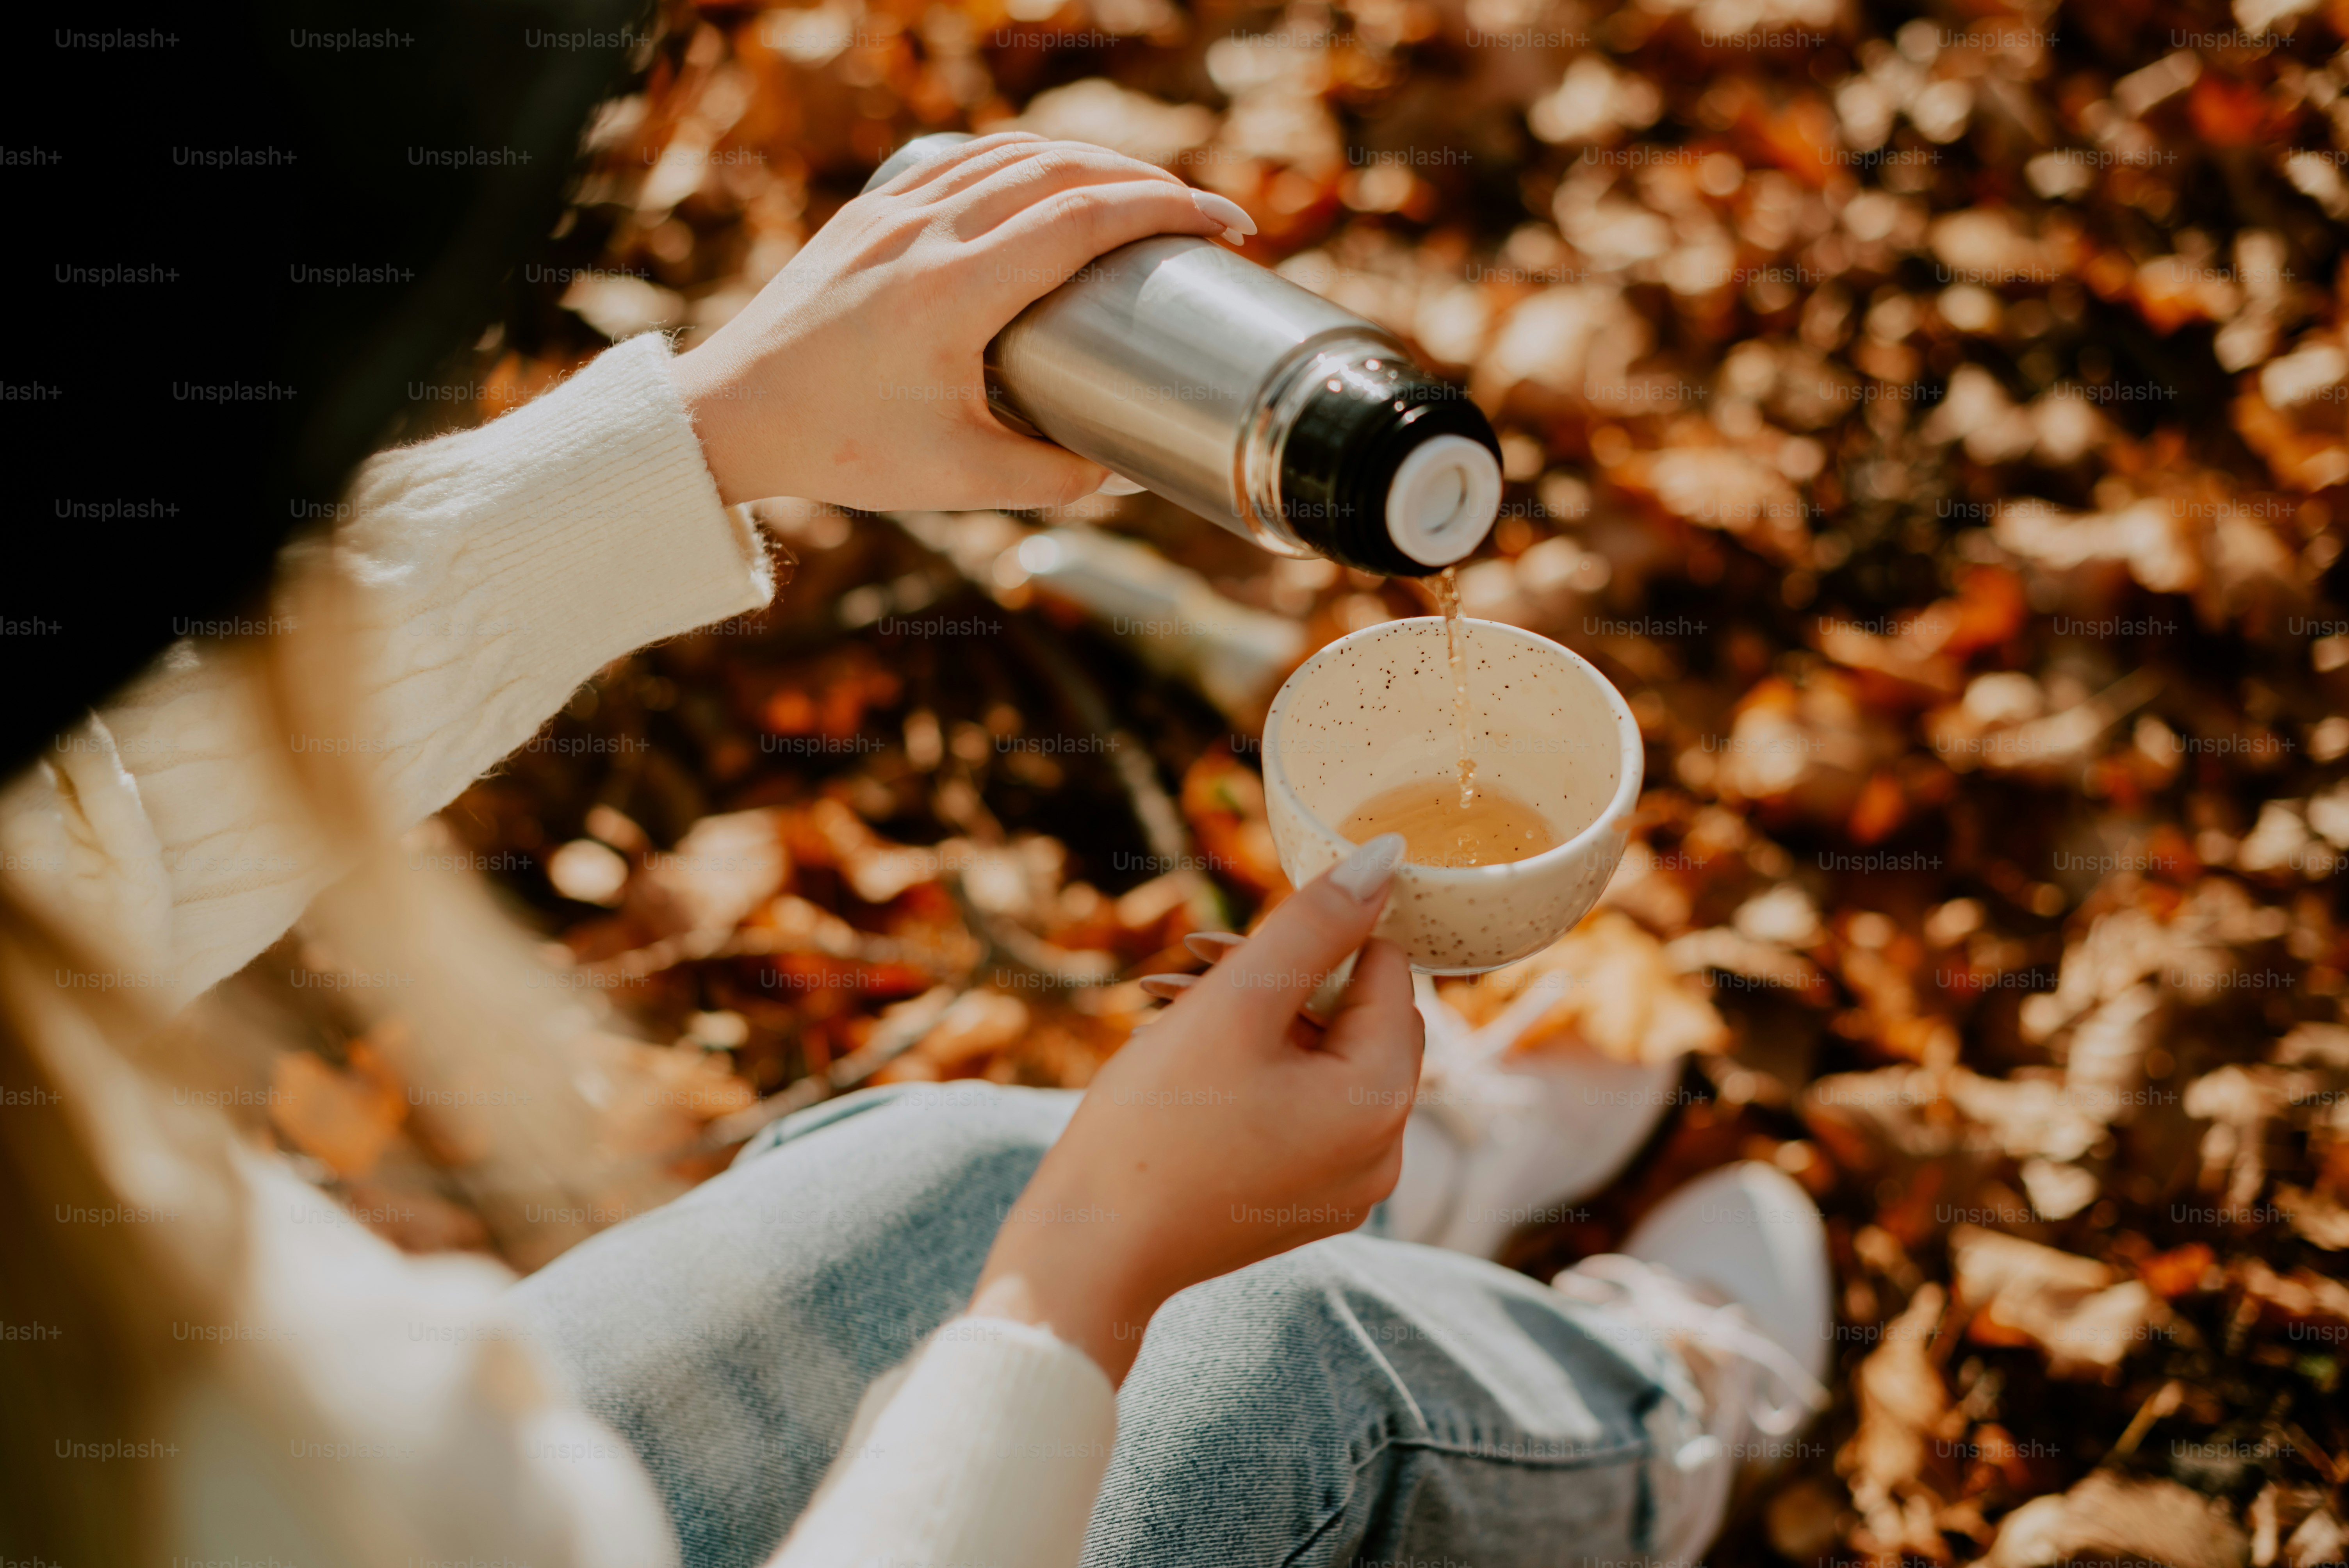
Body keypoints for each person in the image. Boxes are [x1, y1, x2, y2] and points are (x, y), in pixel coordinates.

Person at [1, 118, 1832, 1568]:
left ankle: (1357, 1171)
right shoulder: (256, 1426)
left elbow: (69, 819)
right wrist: (1085, 1276)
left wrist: (718, 425)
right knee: (1283, 1366)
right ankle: (1661, 1428)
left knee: (948, 1163)